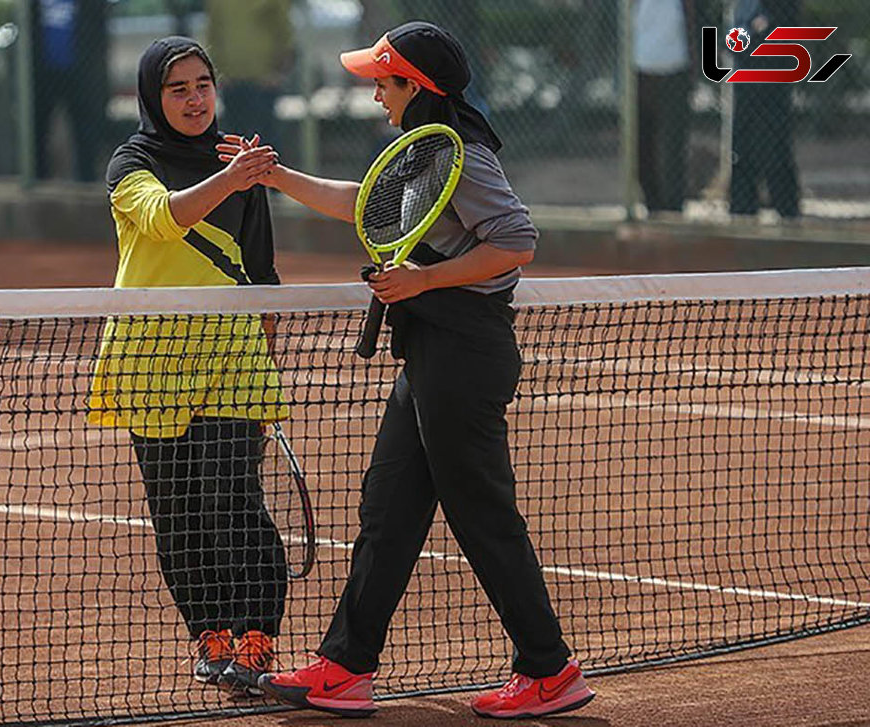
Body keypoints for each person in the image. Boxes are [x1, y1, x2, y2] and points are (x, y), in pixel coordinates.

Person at [228, 22, 595, 719]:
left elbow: (517, 241)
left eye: (382, 81)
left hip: (464, 351)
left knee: (481, 513)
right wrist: (272, 174)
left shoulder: (464, 154)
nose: (374, 96)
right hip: (430, 349)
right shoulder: (421, 153)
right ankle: (344, 666)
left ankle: (549, 668)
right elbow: (358, 202)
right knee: (389, 509)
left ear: (414, 86)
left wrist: (425, 283)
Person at [86, 36, 287, 698]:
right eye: (178, 88)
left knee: (230, 499)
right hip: (149, 362)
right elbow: (161, 219)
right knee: (176, 511)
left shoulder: (239, 164)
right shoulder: (131, 162)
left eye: (203, 84)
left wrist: (268, 362)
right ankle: (211, 632)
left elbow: (262, 273)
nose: (195, 98)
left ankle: (255, 636)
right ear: (153, 97)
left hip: (232, 358)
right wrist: (233, 177)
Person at [730, 0, 801, 219]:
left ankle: (786, 206)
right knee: (742, 146)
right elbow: (736, 35)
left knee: (775, 146)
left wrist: (757, 30)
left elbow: (776, 28)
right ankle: (743, 206)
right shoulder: (745, 5)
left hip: (772, 81)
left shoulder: (782, 7)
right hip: (746, 79)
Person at [31, 0, 109, 181]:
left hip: (80, 73)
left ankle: (86, 178)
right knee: (39, 126)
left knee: (85, 128)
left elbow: (97, 30)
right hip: (43, 73)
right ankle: (38, 177)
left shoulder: (88, 6)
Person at [205, 0, 293, 151]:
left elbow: (285, 34)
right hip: (231, 81)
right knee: (233, 140)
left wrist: (277, 73)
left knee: (265, 141)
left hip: (263, 82)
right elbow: (213, 34)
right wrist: (217, 74)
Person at [634, 0, 695, 215]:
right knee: (642, 141)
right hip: (640, 69)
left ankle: (673, 206)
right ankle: (652, 202)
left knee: (673, 142)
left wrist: (694, 63)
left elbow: (693, 21)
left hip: (675, 67)